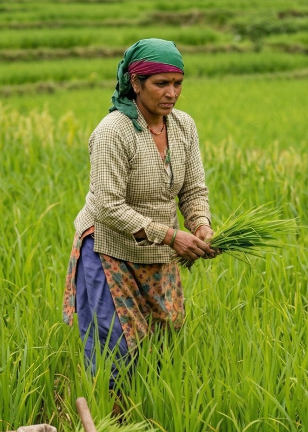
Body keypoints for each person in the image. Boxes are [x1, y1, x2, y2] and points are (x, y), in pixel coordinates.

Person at [65, 39, 214, 390]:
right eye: (161, 84)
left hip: (161, 252)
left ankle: (152, 411)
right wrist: (170, 235)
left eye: (177, 84)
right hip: (109, 248)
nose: (171, 93)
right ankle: (109, 419)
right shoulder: (113, 132)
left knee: (163, 342)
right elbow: (107, 205)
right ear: (135, 83)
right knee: (113, 345)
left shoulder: (183, 126)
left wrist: (201, 225)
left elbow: (193, 190)